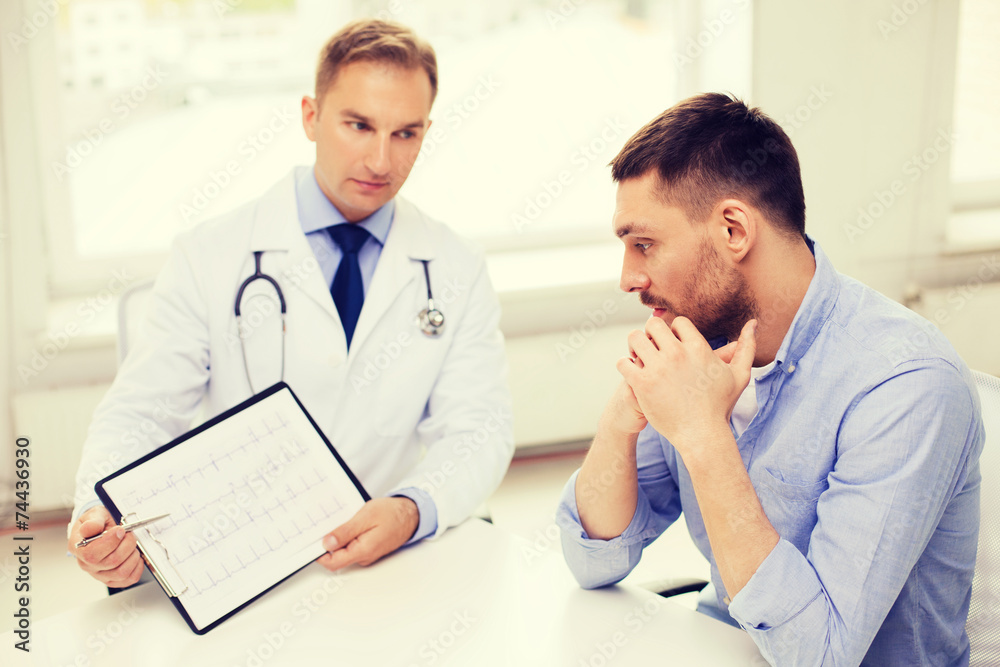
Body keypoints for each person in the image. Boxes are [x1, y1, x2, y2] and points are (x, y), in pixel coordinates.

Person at [69, 19, 513, 589]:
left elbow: (479, 429)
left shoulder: (455, 267)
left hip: (388, 559)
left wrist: (412, 508)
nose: (381, 160)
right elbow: (143, 411)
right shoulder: (210, 254)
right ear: (311, 115)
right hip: (242, 559)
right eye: (359, 125)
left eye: (406, 134)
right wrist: (97, 511)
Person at [556, 93, 984, 666]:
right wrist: (621, 418)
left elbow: (820, 654)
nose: (628, 278)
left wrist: (706, 436)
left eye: (644, 244)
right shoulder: (703, 341)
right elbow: (594, 561)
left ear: (733, 230)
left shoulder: (905, 384)